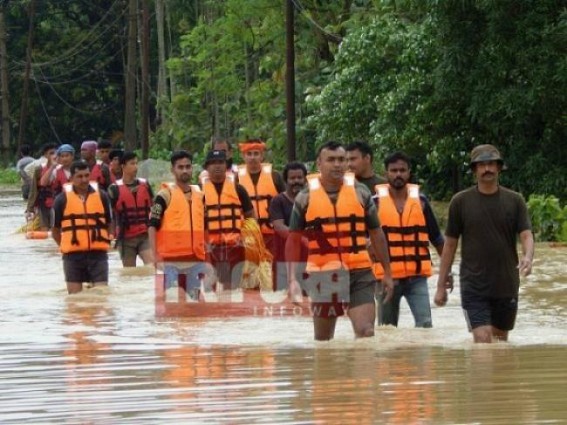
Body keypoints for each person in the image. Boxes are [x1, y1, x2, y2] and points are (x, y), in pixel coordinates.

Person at [286, 141, 394, 341]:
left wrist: (387, 272)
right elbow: (293, 241)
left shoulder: (361, 192)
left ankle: (362, 373)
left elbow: (377, 234)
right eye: (331, 160)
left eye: (341, 160)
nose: (337, 164)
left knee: (366, 332)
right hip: (322, 275)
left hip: (359, 273)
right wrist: (292, 279)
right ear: (319, 163)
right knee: (324, 340)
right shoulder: (304, 197)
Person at [434, 144, 534, 343]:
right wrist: (440, 285)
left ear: (498, 168)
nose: (487, 169)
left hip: (506, 283)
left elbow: (526, 235)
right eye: (482, 165)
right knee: (482, 339)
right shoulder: (460, 202)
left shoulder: (515, 200)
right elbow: (450, 245)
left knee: (500, 342)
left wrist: (528, 256)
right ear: (474, 170)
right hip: (473, 285)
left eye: (491, 164)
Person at [374, 152, 446, 328]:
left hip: (417, 277)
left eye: (402, 170)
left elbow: (437, 239)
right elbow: (364, 241)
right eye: (393, 170)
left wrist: (447, 271)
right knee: (387, 328)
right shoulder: (374, 204)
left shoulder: (421, 202)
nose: (398, 174)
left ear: (409, 172)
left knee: (425, 325)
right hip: (386, 278)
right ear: (386, 173)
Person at [148, 151, 213, 300]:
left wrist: (208, 254)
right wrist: (155, 255)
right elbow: (152, 225)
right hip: (171, 261)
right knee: (172, 302)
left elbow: (205, 227)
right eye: (180, 167)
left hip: (196, 259)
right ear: (173, 170)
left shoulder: (200, 196)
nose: (184, 170)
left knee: (195, 302)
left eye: (188, 166)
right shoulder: (164, 196)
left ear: (192, 169)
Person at [51, 160, 113, 294]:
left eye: (87, 175)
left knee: (101, 297)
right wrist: (64, 246)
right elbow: (55, 230)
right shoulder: (61, 200)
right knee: (74, 300)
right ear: (71, 178)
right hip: (72, 257)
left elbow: (109, 223)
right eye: (80, 176)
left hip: (98, 255)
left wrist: (107, 239)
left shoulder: (102, 196)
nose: (84, 180)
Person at [202, 149, 256, 290]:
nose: (217, 166)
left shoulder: (239, 189)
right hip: (210, 248)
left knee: (230, 288)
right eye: (213, 163)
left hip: (235, 247)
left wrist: (250, 241)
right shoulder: (199, 192)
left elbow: (251, 217)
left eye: (220, 162)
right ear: (207, 167)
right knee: (209, 288)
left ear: (226, 165)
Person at [237, 139, 285, 252]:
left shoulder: (275, 176)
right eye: (249, 154)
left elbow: (285, 201)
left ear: (262, 156)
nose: (252, 157)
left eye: (256, 153)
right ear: (243, 156)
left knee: (273, 267)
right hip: (247, 235)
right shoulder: (236, 179)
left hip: (272, 233)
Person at [108, 151, 154, 267]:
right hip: (126, 239)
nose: (136, 167)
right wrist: (110, 235)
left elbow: (154, 207)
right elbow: (110, 215)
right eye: (132, 164)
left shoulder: (145, 184)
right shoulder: (114, 189)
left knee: (152, 266)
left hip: (145, 235)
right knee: (129, 273)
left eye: (136, 163)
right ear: (123, 166)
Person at [269, 161, 308, 290]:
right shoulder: (278, 201)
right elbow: (279, 227)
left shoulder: (312, 199)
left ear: (305, 179)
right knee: (282, 302)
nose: (296, 181)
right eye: (292, 178)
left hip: (308, 260)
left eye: (299, 178)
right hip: (283, 260)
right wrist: (302, 239)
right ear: (286, 181)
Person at [25, 143, 58, 230]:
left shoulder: (61, 168)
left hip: (58, 203)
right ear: (45, 155)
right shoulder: (39, 169)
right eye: (51, 153)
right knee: (44, 228)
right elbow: (33, 190)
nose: (54, 155)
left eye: (56, 153)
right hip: (43, 203)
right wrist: (29, 209)